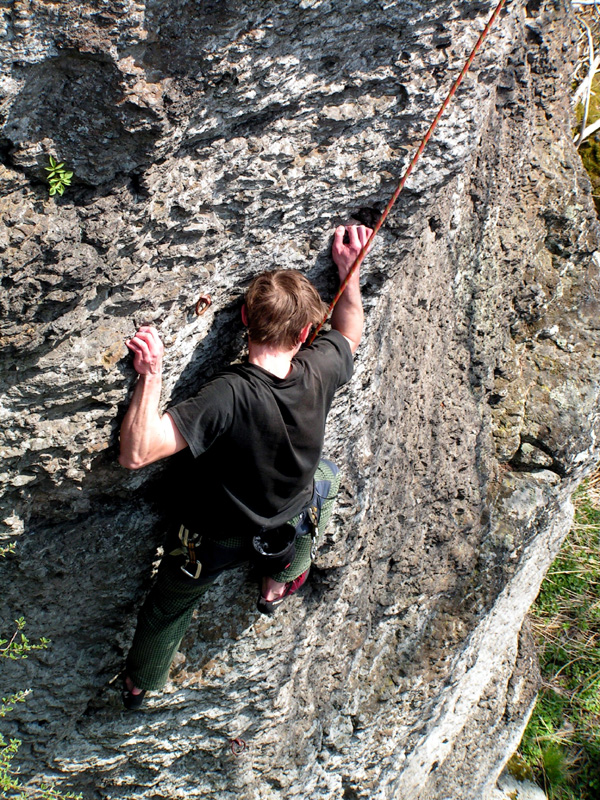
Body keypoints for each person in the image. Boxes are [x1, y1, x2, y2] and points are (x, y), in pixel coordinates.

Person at [118, 223, 372, 709]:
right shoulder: (319, 367)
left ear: (242, 318)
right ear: (303, 334)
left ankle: (140, 683)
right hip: (289, 516)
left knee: (168, 608)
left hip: (214, 537)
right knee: (326, 480)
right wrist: (350, 273)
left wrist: (150, 378)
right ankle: (279, 581)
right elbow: (349, 333)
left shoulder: (227, 394)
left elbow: (137, 453)